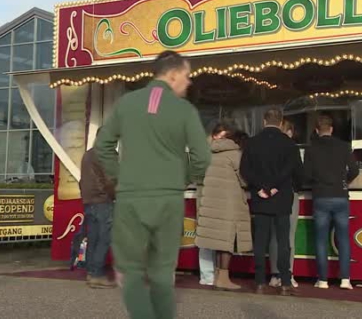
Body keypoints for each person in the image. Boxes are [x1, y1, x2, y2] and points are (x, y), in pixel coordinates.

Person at [95, 50, 211, 319]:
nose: (189, 82)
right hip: (169, 199)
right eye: (186, 75)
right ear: (172, 75)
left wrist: (119, 177)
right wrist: (182, 179)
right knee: (162, 272)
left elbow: (103, 146)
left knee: (130, 270)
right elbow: (202, 157)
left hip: (131, 197)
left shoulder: (127, 103)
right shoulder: (185, 110)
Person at [241, 108, 303, 296]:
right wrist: (278, 186)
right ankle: (285, 282)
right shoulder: (289, 144)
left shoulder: (252, 143)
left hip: (260, 198)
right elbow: (295, 171)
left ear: (264, 121)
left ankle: (260, 282)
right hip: (282, 197)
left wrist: (260, 187)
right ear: (281, 122)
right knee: (283, 241)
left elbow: (245, 169)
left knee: (260, 241)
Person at [304, 114, 360, 290]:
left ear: (316, 130)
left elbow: (306, 175)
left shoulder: (311, 149)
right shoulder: (344, 147)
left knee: (321, 240)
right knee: (343, 238)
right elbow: (354, 169)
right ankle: (345, 279)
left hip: (321, 196)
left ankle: (323, 280)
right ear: (332, 129)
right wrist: (345, 181)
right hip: (340, 195)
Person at [194, 124, 252, 291]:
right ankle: (223, 278)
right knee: (226, 242)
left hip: (210, 203)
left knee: (216, 241)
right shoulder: (235, 155)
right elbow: (244, 179)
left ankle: (217, 277)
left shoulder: (208, 154)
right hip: (228, 204)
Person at [79, 129, 117, 289]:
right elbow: (111, 179)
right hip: (103, 200)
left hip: (89, 200)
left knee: (93, 237)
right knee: (104, 238)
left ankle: (91, 272)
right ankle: (97, 275)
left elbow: (82, 180)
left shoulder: (88, 154)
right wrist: (114, 195)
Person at [268, 119, 300, 288]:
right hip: (289, 194)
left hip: (271, 195)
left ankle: (275, 274)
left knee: (274, 236)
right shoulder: (293, 148)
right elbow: (300, 173)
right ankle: (287, 273)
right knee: (288, 236)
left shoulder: (268, 148)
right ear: (289, 132)